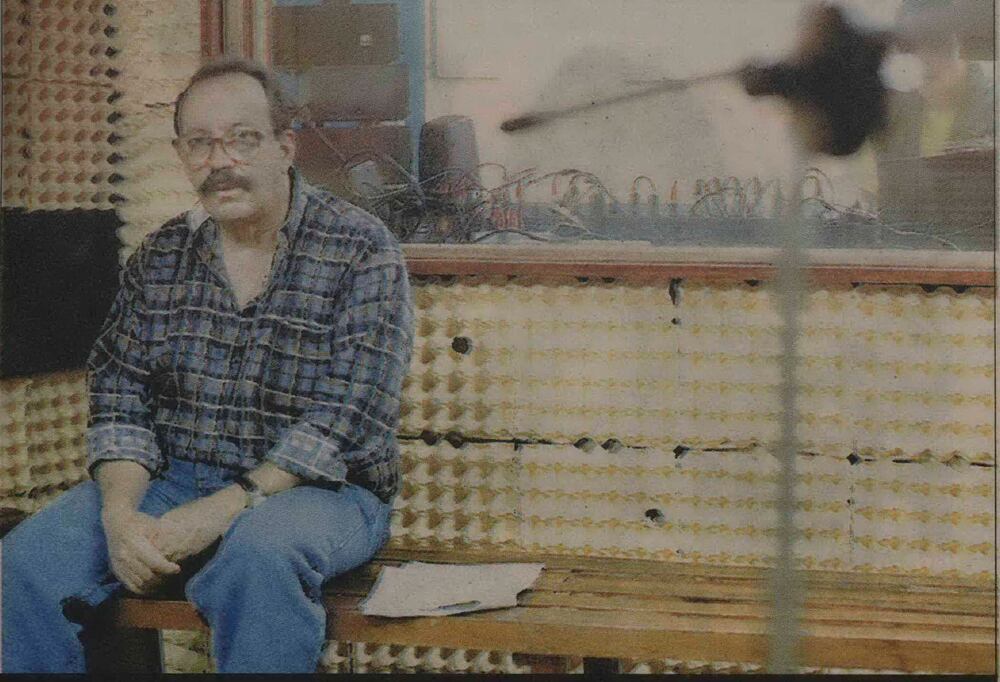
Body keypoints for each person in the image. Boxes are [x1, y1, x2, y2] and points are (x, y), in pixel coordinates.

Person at [2, 56, 415, 673]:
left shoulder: (362, 249)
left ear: (284, 147)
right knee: (21, 566)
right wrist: (119, 517)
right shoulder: (160, 256)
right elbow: (120, 394)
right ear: (181, 155)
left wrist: (223, 508)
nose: (220, 161)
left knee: (258, 556)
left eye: (242, 139)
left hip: (321, 494)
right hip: (171, 480)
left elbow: (350, 415)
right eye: (200, 143)